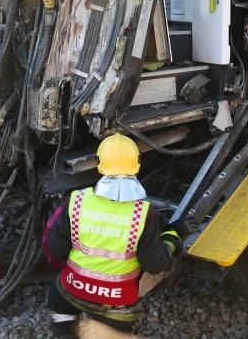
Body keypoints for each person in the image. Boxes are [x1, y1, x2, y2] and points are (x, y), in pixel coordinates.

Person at [44, 133, 182, 338]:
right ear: (136, 166)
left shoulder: (77, 201)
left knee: (60, 304)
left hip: (72, 290)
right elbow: (155, 264)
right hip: (117, 304)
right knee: (119, 323)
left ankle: (65, 332)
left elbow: (55, 249)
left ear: (100, 165)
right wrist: (172, 238)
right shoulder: (143, 213)